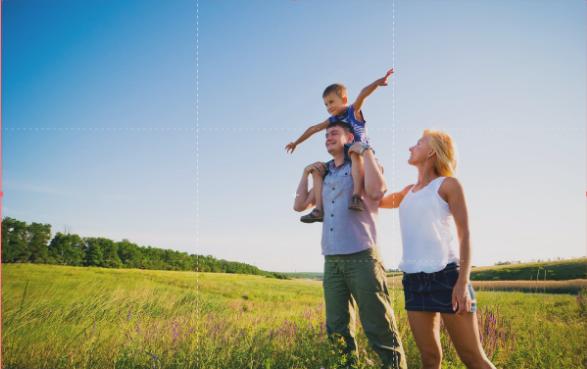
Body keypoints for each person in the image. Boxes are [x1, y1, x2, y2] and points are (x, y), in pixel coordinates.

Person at [293, 120, 407, 369]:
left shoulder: (362, 165)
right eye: (325, 136)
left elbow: (378, 192)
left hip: (362, 256)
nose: (327, 137)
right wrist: (305, 174)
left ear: (348, 137)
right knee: (337, 328)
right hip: (332, 259)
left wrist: (365, 151)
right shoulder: (326, 175)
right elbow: (300, 205)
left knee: (378, 324)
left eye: (333, 133)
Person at [379, 129, 497, 369]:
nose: (411, 147)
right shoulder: (406, 192)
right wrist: (367, 161)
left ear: (431, 151)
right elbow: (375, 200)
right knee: (430, 358)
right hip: (413, 280)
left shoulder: (448, 185)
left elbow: (465, 235)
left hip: (448, 278)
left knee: (473, 358)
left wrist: (463, 283)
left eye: (418, 143)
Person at [286, 69, 394, 223]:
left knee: (353, 152)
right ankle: (319, 210)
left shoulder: (353, 111)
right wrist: (296, 142)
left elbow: (363, 94)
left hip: (360, 152)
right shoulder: (333, 119)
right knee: (317, 170)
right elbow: (314, 128)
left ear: (344, 99)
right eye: (325, 104)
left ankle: (356, 195)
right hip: (343, 157)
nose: (328, 107)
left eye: (331, 102)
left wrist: (378, 82)